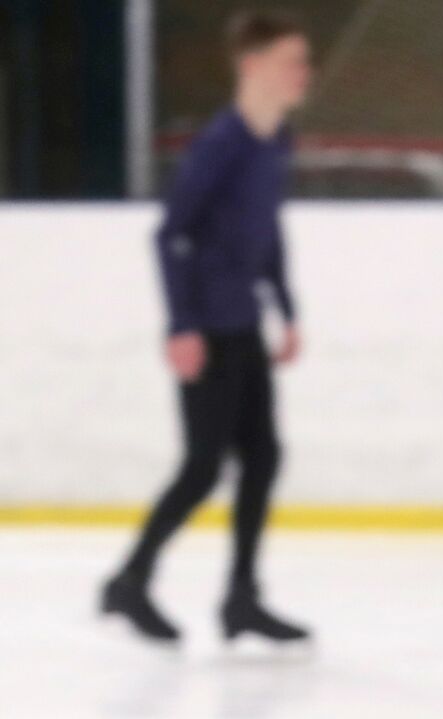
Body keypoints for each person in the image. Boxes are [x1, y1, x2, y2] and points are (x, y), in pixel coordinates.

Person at [99, 10, 313, 645]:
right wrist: (182, 326)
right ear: (252, 66)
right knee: (201, 467)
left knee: (264, 457)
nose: (303, 73)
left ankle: (240, 598)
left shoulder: (275, 140)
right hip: (209, 331)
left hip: (244, 324)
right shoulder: (220, 145)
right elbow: (171, 235)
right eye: (290, 61)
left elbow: (265, 230)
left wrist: (286, 307)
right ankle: (129, 582)